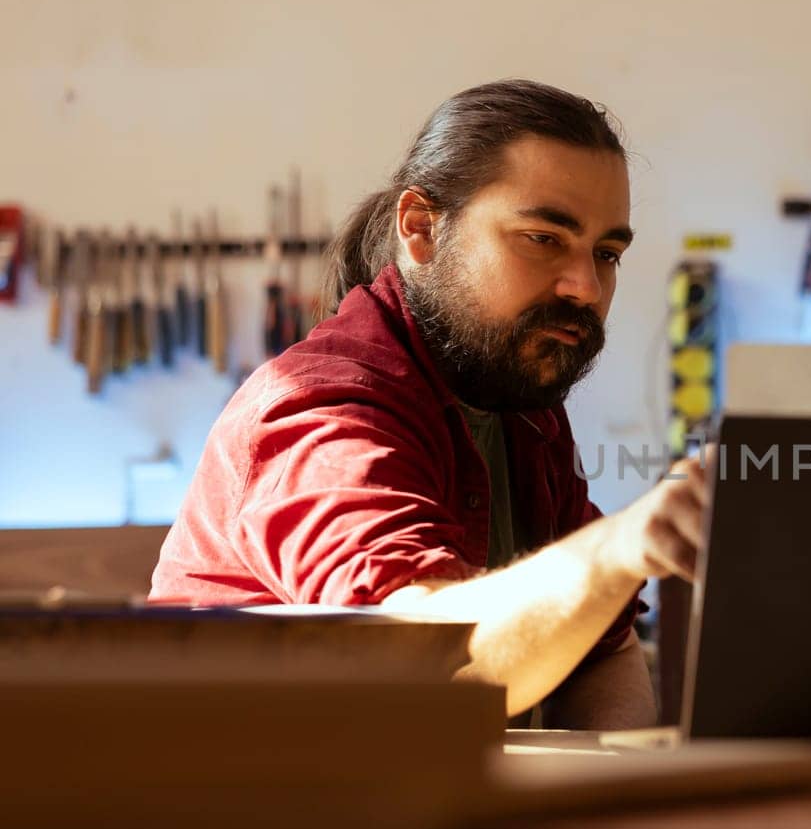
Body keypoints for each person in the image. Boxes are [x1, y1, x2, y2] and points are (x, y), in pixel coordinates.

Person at [151, 80, 708, 727]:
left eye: (606, 253)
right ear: (420, 228)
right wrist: (617, 548)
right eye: (543, 238)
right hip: (254, 817)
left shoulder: (520, 404)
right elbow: (426, 662)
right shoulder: (320, 409)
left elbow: (602, 647)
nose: (584, 287)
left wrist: (627, 788)